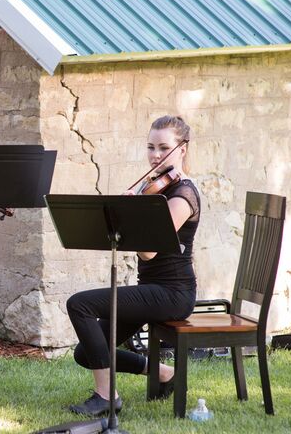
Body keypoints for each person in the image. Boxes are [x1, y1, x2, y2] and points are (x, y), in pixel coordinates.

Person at [65, 115, 200, 416]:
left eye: (163, 147)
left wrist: (132, 214)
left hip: (172, 293)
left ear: (182, 149)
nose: (155, 155)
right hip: (151, 288)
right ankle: (165, 373)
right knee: (85, 353)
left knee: (79, 305)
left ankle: (106, 396)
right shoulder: (157, 189)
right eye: (150, 147)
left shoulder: (182, 196)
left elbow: (148, 253)